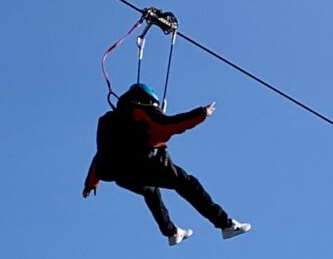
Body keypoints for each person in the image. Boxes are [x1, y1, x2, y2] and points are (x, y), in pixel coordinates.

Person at [82, 83, 250, 246]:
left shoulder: (108, 120)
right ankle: (226, 225)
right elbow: (169, 125)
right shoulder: (142, 111)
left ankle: (172, 233)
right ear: (148, 100)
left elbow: (103, 153)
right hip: (141, 165)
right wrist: (202, 113)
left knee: (150, 190)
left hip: (121, 175)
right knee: (187, 183)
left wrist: (91, 182)